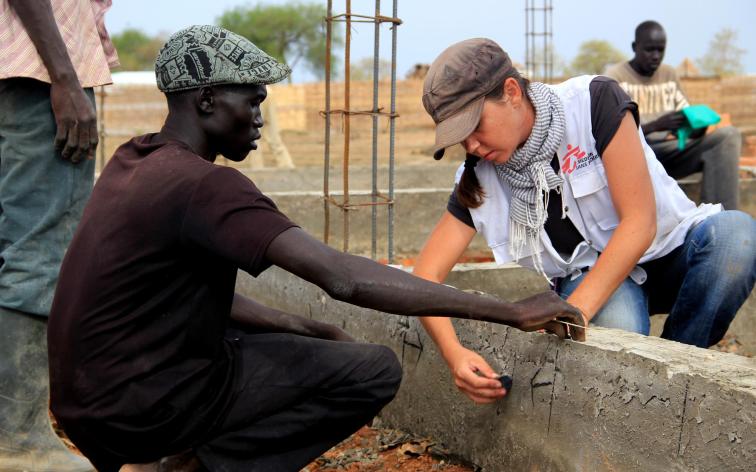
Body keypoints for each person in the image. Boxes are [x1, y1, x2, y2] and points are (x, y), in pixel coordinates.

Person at [46, 26, 585, 472]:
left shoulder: (135, 161)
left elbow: (192, 298)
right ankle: (189, 467)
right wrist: (510, 312)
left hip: (87, 406)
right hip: (143, 411)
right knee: (373, 371)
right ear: (207, 100)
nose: (259, 117)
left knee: (295, 349)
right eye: (252, 101)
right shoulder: (206, 187)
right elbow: (343, 277)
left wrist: (307, 328)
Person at [413, 38, 756, 405]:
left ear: (511, 92)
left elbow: (639, 223)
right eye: (459, 139)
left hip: (668, 254)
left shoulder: (592, 103)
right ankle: (655, 400)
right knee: (619, 333)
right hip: (595, 277)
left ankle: (671, 385)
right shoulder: (479, 177)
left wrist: (575, 313)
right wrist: (455, 355)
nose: (473, 147)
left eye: (475, 127)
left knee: (737, 238)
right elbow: (424, 278)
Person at [0, 0, 118, 470]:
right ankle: (17, 439)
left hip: (14, 72)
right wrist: (65, 80)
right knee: (38, 252)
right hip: (38, 77)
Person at [605, 20, 741, 210]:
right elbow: (611, 133)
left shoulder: (669, 74)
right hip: (639, 154)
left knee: (728, 136)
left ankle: (723, 216)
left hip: (673, 149)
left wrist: (695, 126)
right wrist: (656, 125)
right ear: (635, 47)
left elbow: (688, 123)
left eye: (660, 50)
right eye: (649, 50)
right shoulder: (615, 77)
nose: (656, 56)